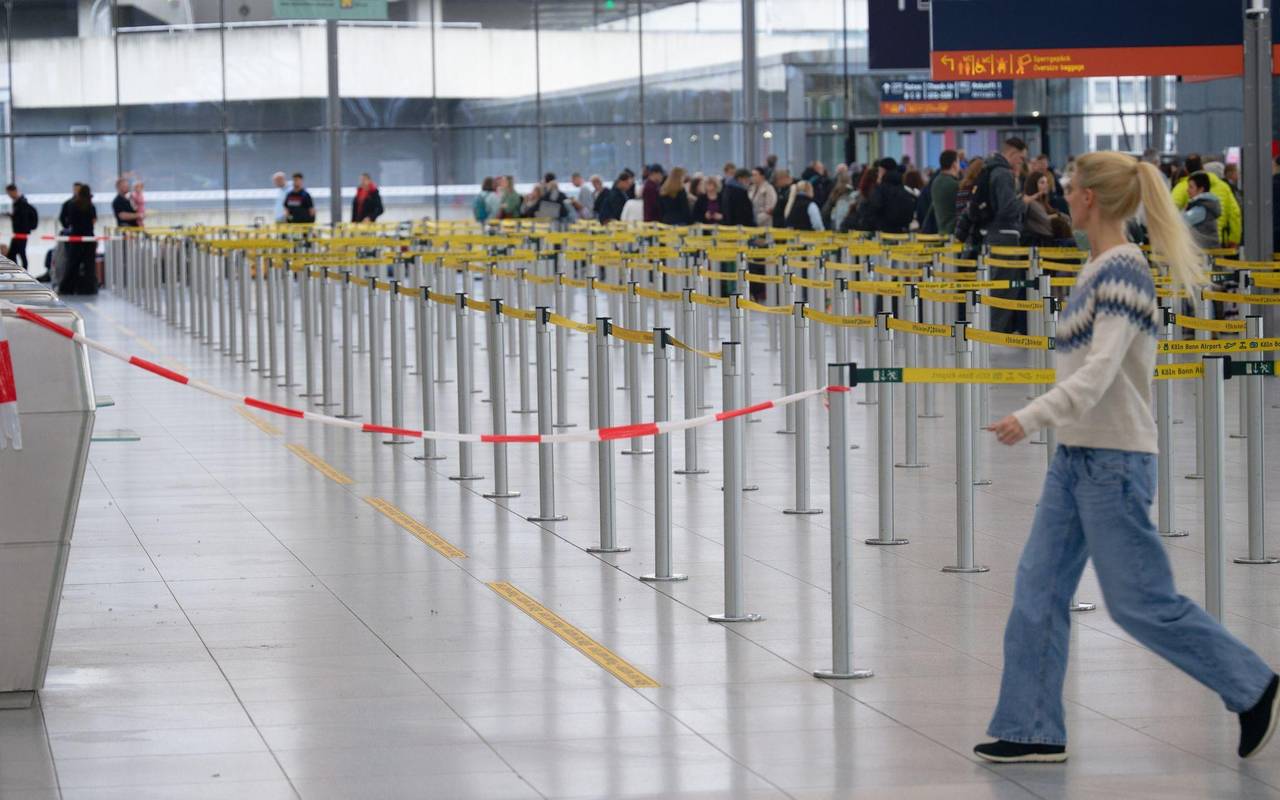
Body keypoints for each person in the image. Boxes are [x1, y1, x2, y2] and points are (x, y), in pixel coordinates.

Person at [975, 150, 1280, 766]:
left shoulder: (1122, 272)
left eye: (1071, 184)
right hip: (1078, 459)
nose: (1063, 190)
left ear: (1091, 199)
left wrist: (1028, 417)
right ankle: (1032, 728)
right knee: (1038, 587)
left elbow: (1098, 375)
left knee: (1141, 602)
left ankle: (1253, 686)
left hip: (1113, 463)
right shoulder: (1097, 268)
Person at [971, 138, 1029, 332]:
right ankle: (994, 335)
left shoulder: (989, 170)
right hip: (1005, 237)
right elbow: (1008, 208)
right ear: (1012, 153)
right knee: (1003, 290)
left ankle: (992, 333)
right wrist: (1024, 201)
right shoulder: (1003, 173)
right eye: (1020, 159)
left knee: (996, 287)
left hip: (992, 234)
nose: (1021, 163)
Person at [1171, 154, 1241, 247]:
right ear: (1202, 167)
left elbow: (1171, 211)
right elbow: (1235, 214)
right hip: (1219, 240)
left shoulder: (1182, 187)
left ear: (1186, 169)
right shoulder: (1224, 187)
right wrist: (1234, 238)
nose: (1188, 190)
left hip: (1198, 243)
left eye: (1191, 188)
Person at [856, 158, 915, 234]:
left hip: (882, 234)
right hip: (901, 235)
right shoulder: (904, 190)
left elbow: (873, 209)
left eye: (879, 171)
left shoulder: (880, 190)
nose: (878, 174)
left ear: (883, 171)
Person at [58, 183, 97, 296]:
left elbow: (69, 221)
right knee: (89, 265)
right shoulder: (91, 206)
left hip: (75, 237)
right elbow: (94, 220)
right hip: (88, 238)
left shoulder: (72, 205)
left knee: (72, 264)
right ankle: (88, 288)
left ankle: (67, 288)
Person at [1183, 172, 1222, 250]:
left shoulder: (1201, 208)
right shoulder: (1206, 205)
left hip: (1205, 255)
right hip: (1208, 253)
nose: (1187, 190)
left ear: (1201, 189)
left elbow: (1180, 222)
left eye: (1191, 187)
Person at [4, 184, 38, 272]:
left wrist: (15, 218)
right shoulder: (18, 203)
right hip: (18, 233)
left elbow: (23, 219)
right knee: (13, 254)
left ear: (13, 191)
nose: (9, 196)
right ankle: (16, 271)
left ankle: (23, 272)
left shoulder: (22, 203)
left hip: (21, 233)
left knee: (20, 253)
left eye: (9, 193)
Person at [930, 150, 961, 237]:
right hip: (953, 232)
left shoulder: (936, 181)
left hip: (941, 230)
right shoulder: (953, 184)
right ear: (954, 164)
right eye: (958, 162)